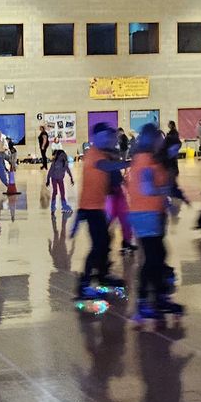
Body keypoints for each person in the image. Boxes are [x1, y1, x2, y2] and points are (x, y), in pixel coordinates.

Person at [126, 123, 182, 322]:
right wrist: (166, 193)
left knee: (158, 255)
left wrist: (167, 204)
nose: (162, 142)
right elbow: (148, 188)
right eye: (159, 138)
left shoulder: (149, 158)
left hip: (150, 213)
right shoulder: (145, 159)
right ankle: (143, 303)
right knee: (152, 259)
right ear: (152, 139)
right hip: (145, 214)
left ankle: (158, 297)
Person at [73, 123, 128, 297]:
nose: (110, 140)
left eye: (111, 138)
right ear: (96, 138)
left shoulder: (102, 153)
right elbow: (107, 167)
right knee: (98, 245)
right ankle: (84, 283)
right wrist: (133, 162)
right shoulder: (93, 154)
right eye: (106, 137)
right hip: (90, 208)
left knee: (105, 240)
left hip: (97, 206)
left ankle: (103, 274)